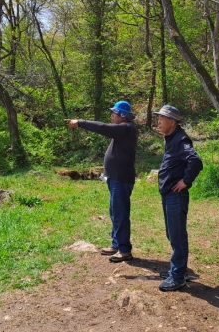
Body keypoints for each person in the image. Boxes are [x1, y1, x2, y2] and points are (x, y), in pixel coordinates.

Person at [66, 101, 138, 263]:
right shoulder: (122, 130)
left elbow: (102, 127)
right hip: (115, 178)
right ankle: (117, 244)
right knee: (115, 211)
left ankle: (125, 250)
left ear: (123, 116)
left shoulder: (126, 128)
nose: (112, 115)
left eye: (115, 113)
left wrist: (80, 122)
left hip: (121, 179)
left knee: (120, 214)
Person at [153, 104, 203, 291]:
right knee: (172, 233)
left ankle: (178, 276)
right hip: (168, 193)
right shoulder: (171, 137)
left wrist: (185, 181)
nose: (158, 121)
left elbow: (195, 161)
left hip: (176, 194)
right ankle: (178, 269)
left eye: (162, 119)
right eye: (158, 118)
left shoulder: (181, 139)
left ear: (172, 122)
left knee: (178, 234)